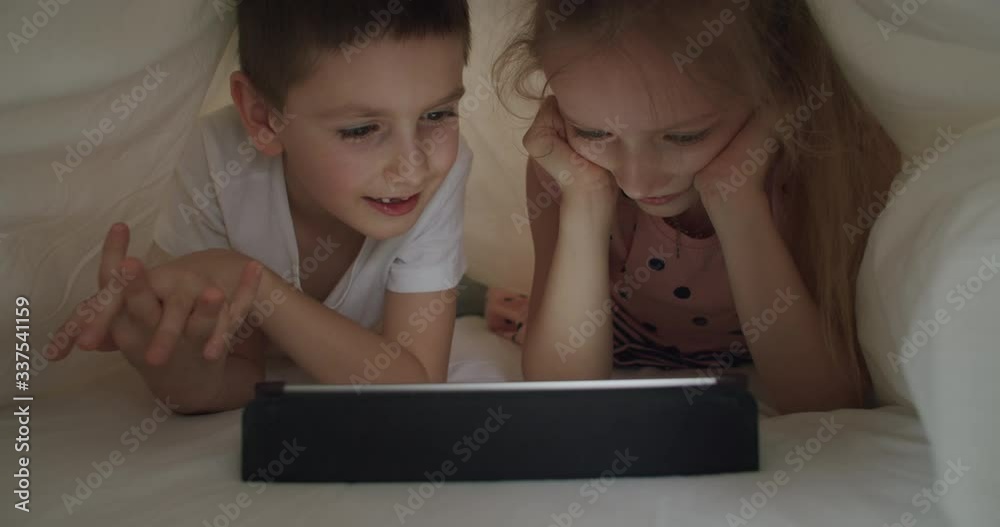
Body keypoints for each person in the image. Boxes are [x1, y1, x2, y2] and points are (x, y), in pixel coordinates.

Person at [46, 0, 473, 414]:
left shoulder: (444, 172)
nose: (413, 167)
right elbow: (230, 377)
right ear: (263, 118)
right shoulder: (217, 163)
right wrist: (170, 367)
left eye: (438, 115)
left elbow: (414, 392)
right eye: (361, 129)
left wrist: (253, 284)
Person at [486, 0, 900, 413]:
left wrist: (736, 198)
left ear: (777, 92)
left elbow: (826, 404)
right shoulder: (569, 168)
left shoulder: (830, 163)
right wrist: (585, 201)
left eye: (684, 137)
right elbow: (561, 394)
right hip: (620, 338)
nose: (636, 181)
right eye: (592, 131)